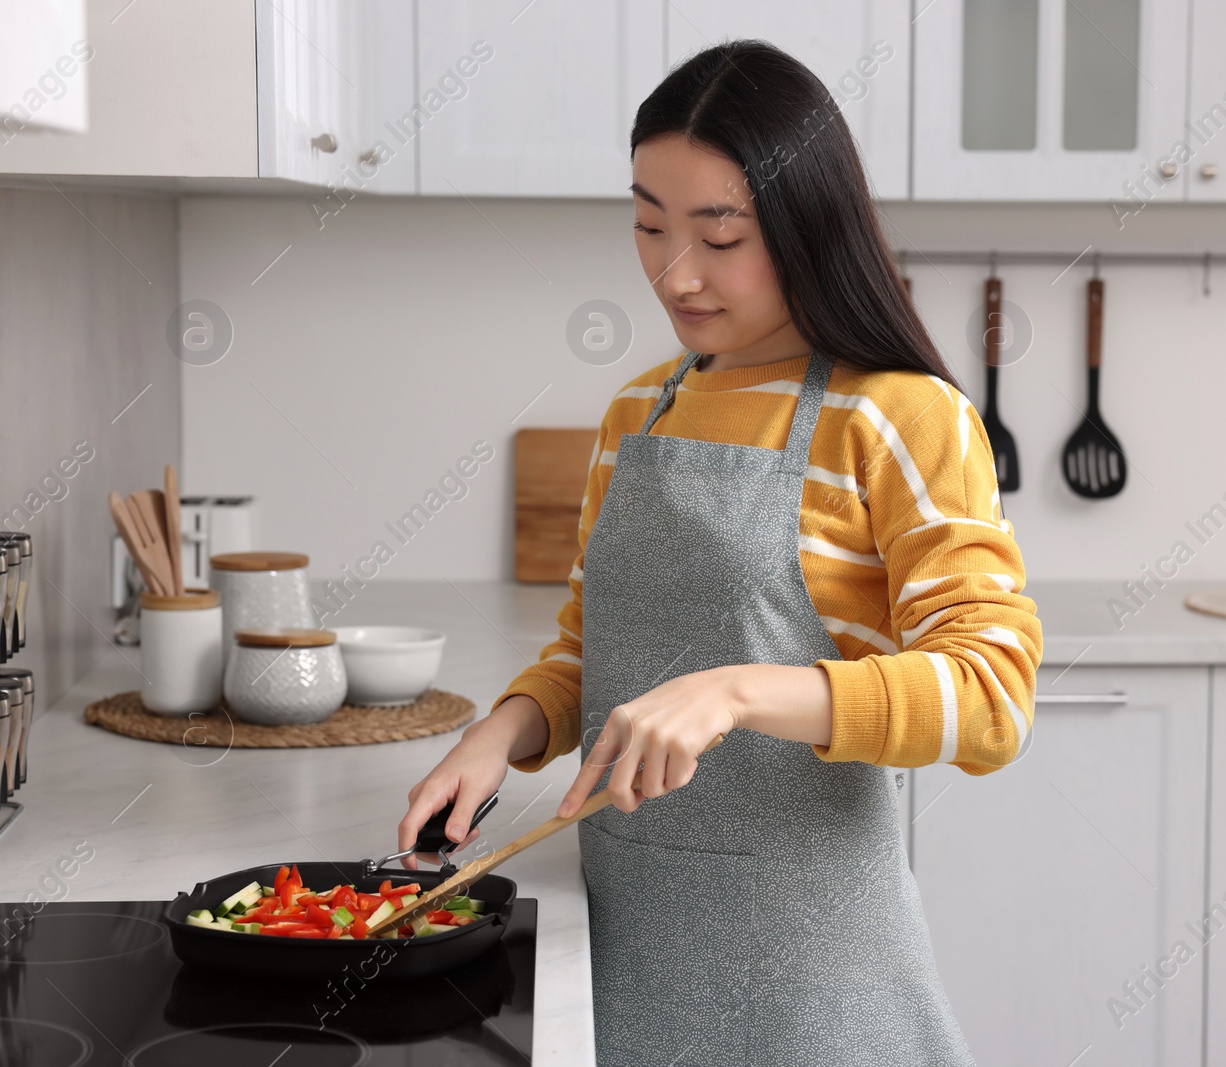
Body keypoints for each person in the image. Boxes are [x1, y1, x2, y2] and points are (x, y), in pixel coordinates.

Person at [399, 38, 1042, 1066]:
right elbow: (589, 647)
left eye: (720, 234)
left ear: (806, 226)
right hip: (625, 940)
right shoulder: (638, 411)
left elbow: (993, 698)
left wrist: (741, 691)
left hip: (813, 973)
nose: (675, 272)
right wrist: (503, 730)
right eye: (649, 226)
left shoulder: (898, 417)